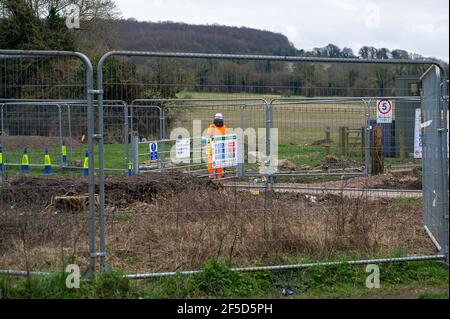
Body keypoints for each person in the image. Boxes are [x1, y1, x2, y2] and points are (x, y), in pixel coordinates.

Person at [206, 113, 228, 179]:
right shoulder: (212, 128)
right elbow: (208, 137)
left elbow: (226, 138)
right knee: (211, 162)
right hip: (212, 148)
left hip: (220, 148)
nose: (218, 122)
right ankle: (213, 175)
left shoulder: (223, 128)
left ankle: (218, 176)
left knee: (218, 162)